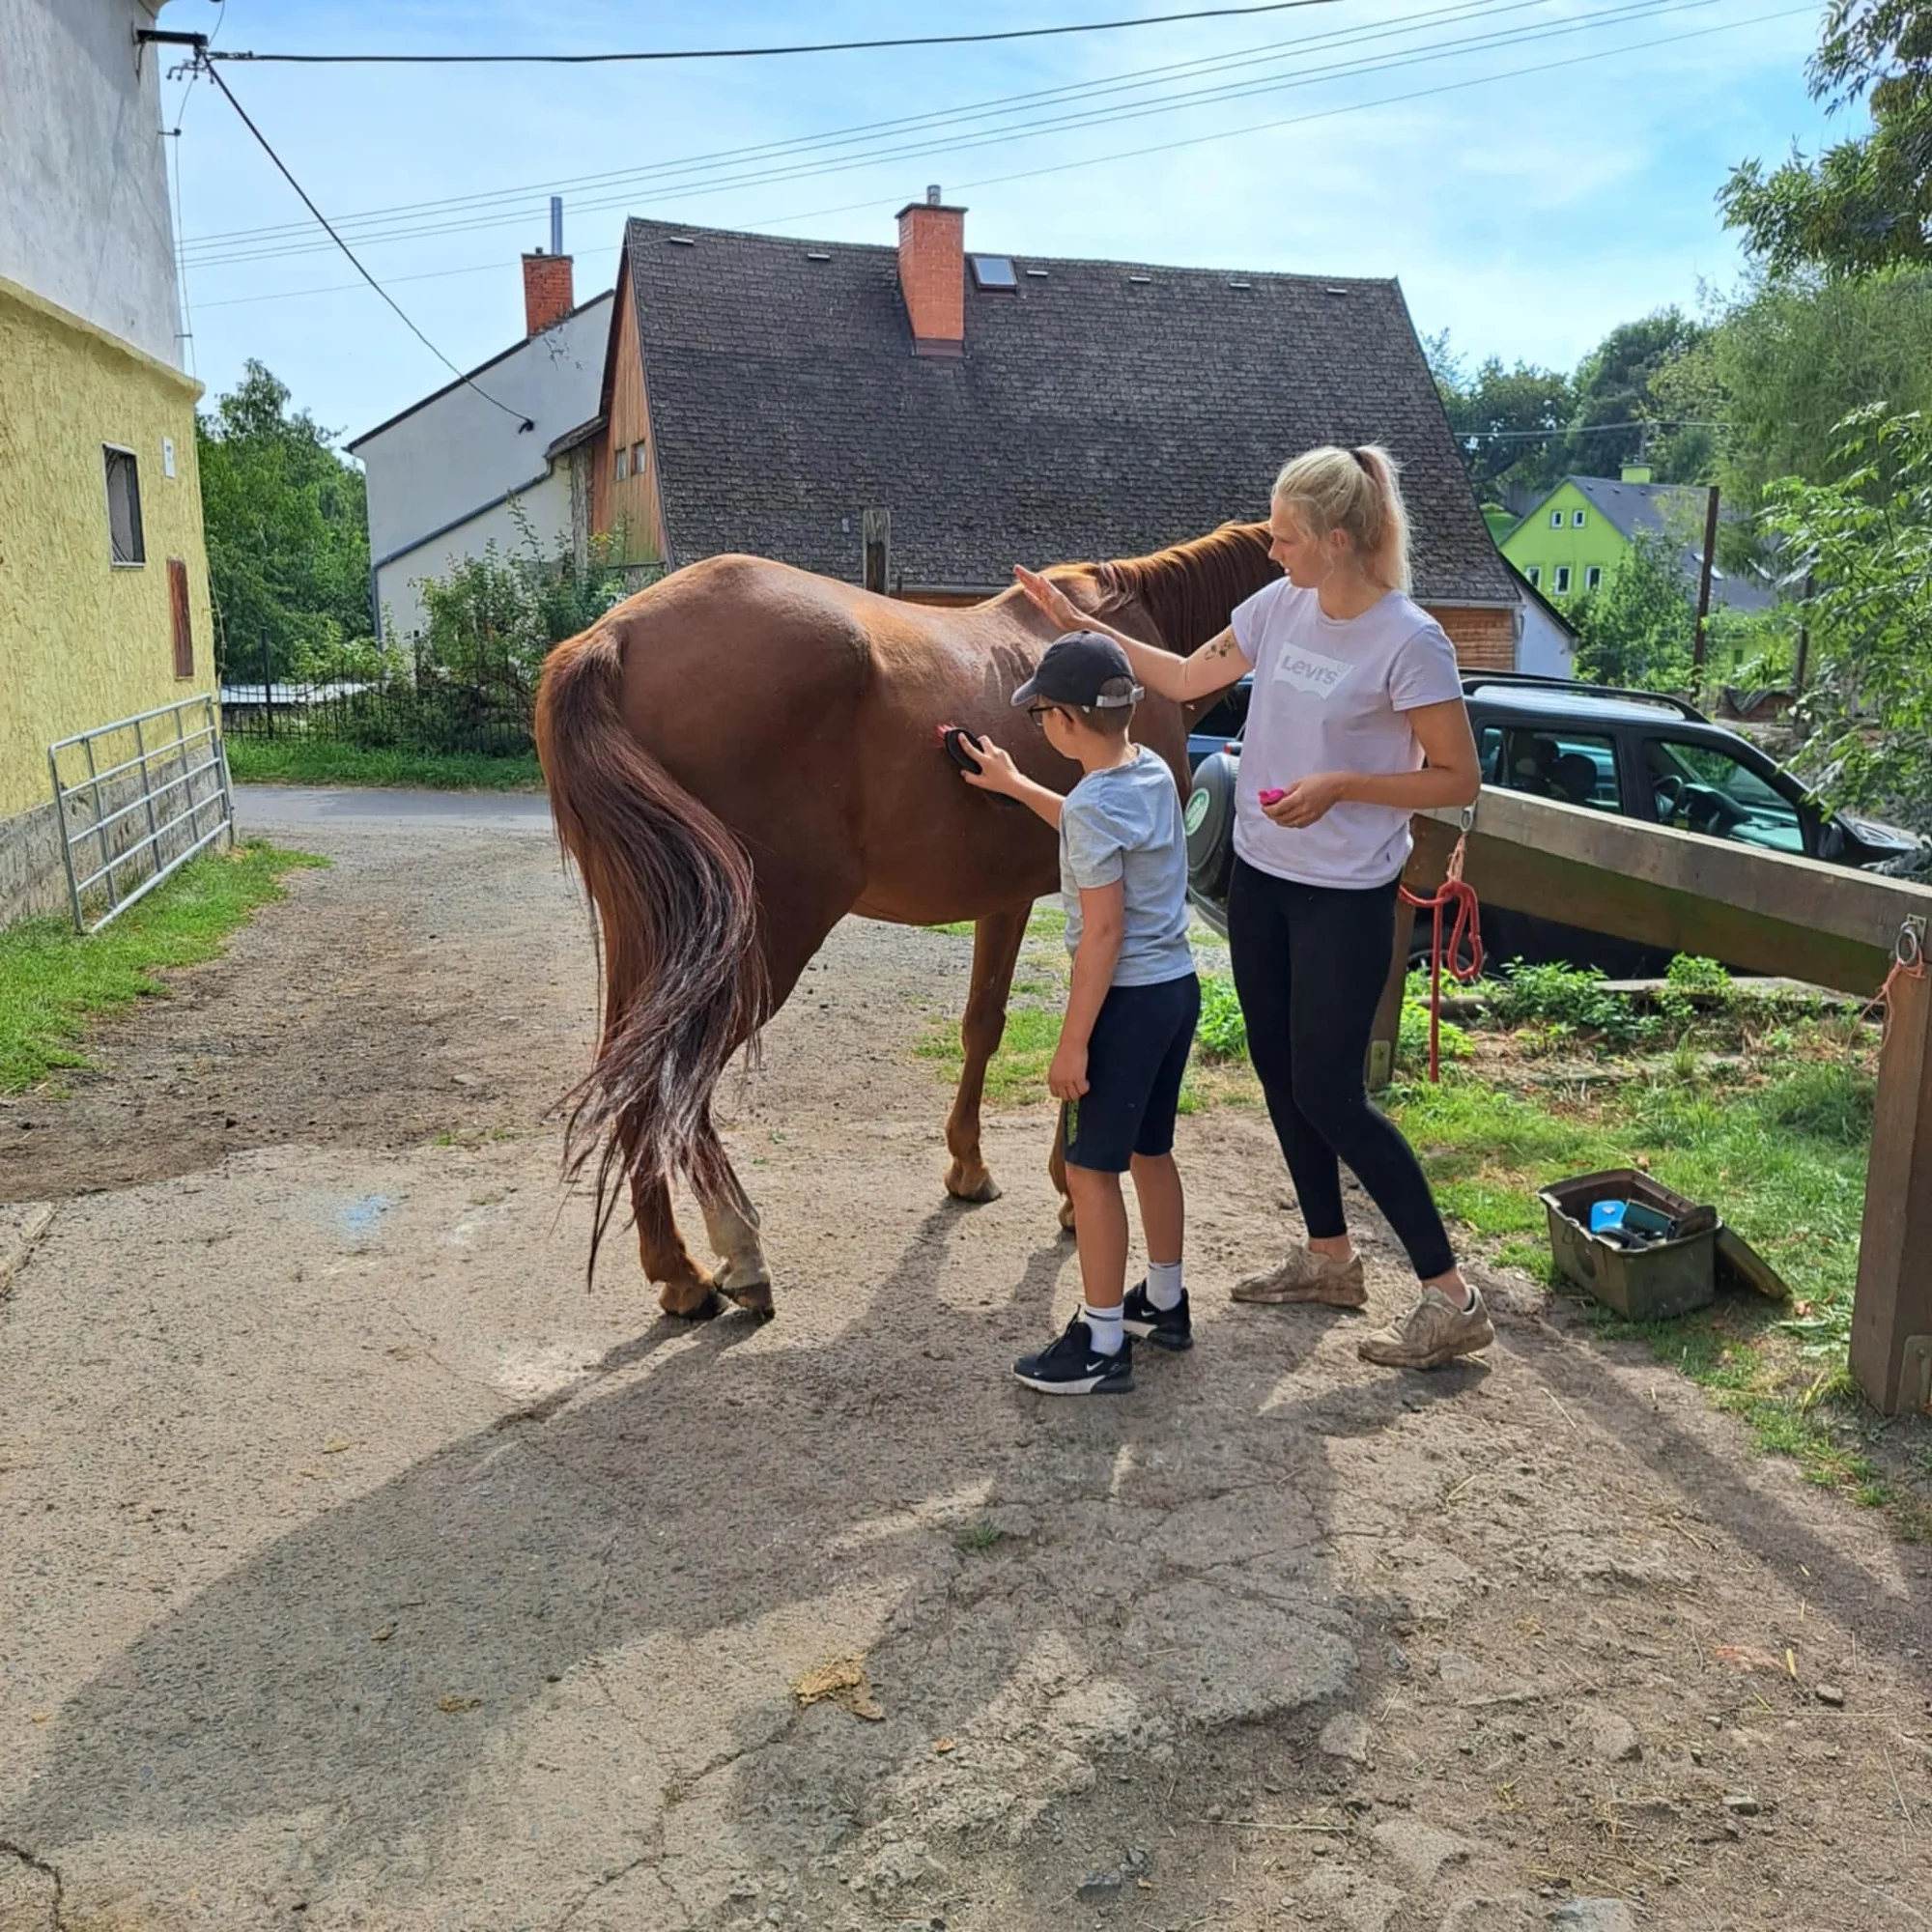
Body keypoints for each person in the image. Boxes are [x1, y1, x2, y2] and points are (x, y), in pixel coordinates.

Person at [1013, 446, 1490, 1371]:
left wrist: (1345, 783)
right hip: (1263, 876)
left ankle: (1450, 1295)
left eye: (1284, 537)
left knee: (1331, 1095)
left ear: (1339, 540)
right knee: (1278, 1069)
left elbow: (1457, 777)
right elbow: (1187, 679)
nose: (1270, 551)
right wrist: (1083, 626)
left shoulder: (1410, 640)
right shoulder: (1280, 609)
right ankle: (1329, 1257)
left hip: (1345, 896)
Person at [956, 631, 1201, 1394]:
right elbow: (1093, 821)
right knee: (1150, 1153)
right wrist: (1017, 786)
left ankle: (1099, 1343)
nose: (1039, 731)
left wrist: (1072, 1045)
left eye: (1040, 718)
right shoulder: (1148, 770)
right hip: (1175, 990)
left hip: (1121, 1004)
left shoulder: (1096, 804)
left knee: (1091, 1174)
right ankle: (1164, 1301)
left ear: (1063, 721)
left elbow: (1101, 934)